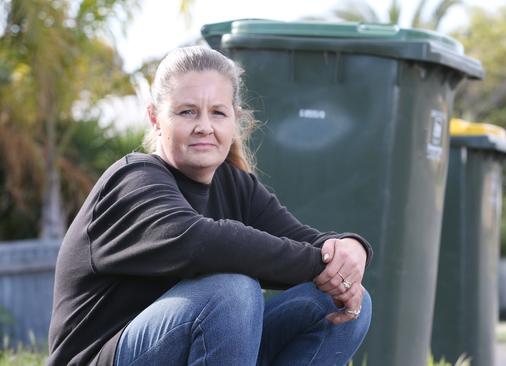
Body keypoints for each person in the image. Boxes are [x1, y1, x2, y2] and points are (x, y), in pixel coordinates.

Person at [47, 46, 372, 366]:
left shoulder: (235, 185)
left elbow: (303, 239)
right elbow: (200, 242)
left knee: (336, 298)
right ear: (155, 117)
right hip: (106, 358)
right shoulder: (134, 179)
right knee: (230, 292)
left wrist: (350, 250)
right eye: (187, 111)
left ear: (235, 120)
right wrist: (323, 264)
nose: (204, 126)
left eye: (217, 112)